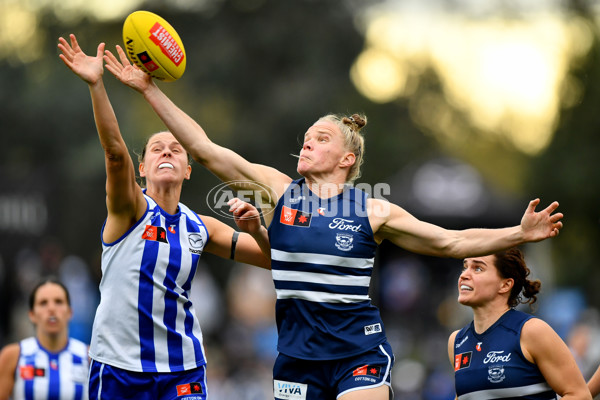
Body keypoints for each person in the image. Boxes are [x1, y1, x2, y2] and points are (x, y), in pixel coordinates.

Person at [103, 45, 564, 400]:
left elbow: (450, 241)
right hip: (296, 359)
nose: (306, 144)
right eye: (305, 138)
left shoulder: (372, 209)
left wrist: (519, 233)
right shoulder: (280, 190)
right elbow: (204, 149)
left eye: (319, 139)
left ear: (347, 158)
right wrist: (148, 89)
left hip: (357, 354)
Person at [57, 34, 270, 400]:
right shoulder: (130, 210)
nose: (167, 152)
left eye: (176, 148)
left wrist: (257, 230)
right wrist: (97, 86)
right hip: (119, 368)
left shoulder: (200, 226)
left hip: (181, 368)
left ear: (188, 170)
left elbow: (273, 260)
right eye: (156, 149)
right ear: (142, 168)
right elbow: (114, 154)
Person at [448, 248, 591, 399]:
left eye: (478, 268)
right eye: (465, 267)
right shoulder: (456, 342)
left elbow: (580, 395)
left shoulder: (531, 331)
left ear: (505, 285)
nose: (464, 275)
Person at [0, 278, 90, 400]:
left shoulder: (89, 357)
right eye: (43, 303)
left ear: (69, 312)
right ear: (32, 314)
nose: (51, 308)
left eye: (58, 302)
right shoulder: (13, 356)